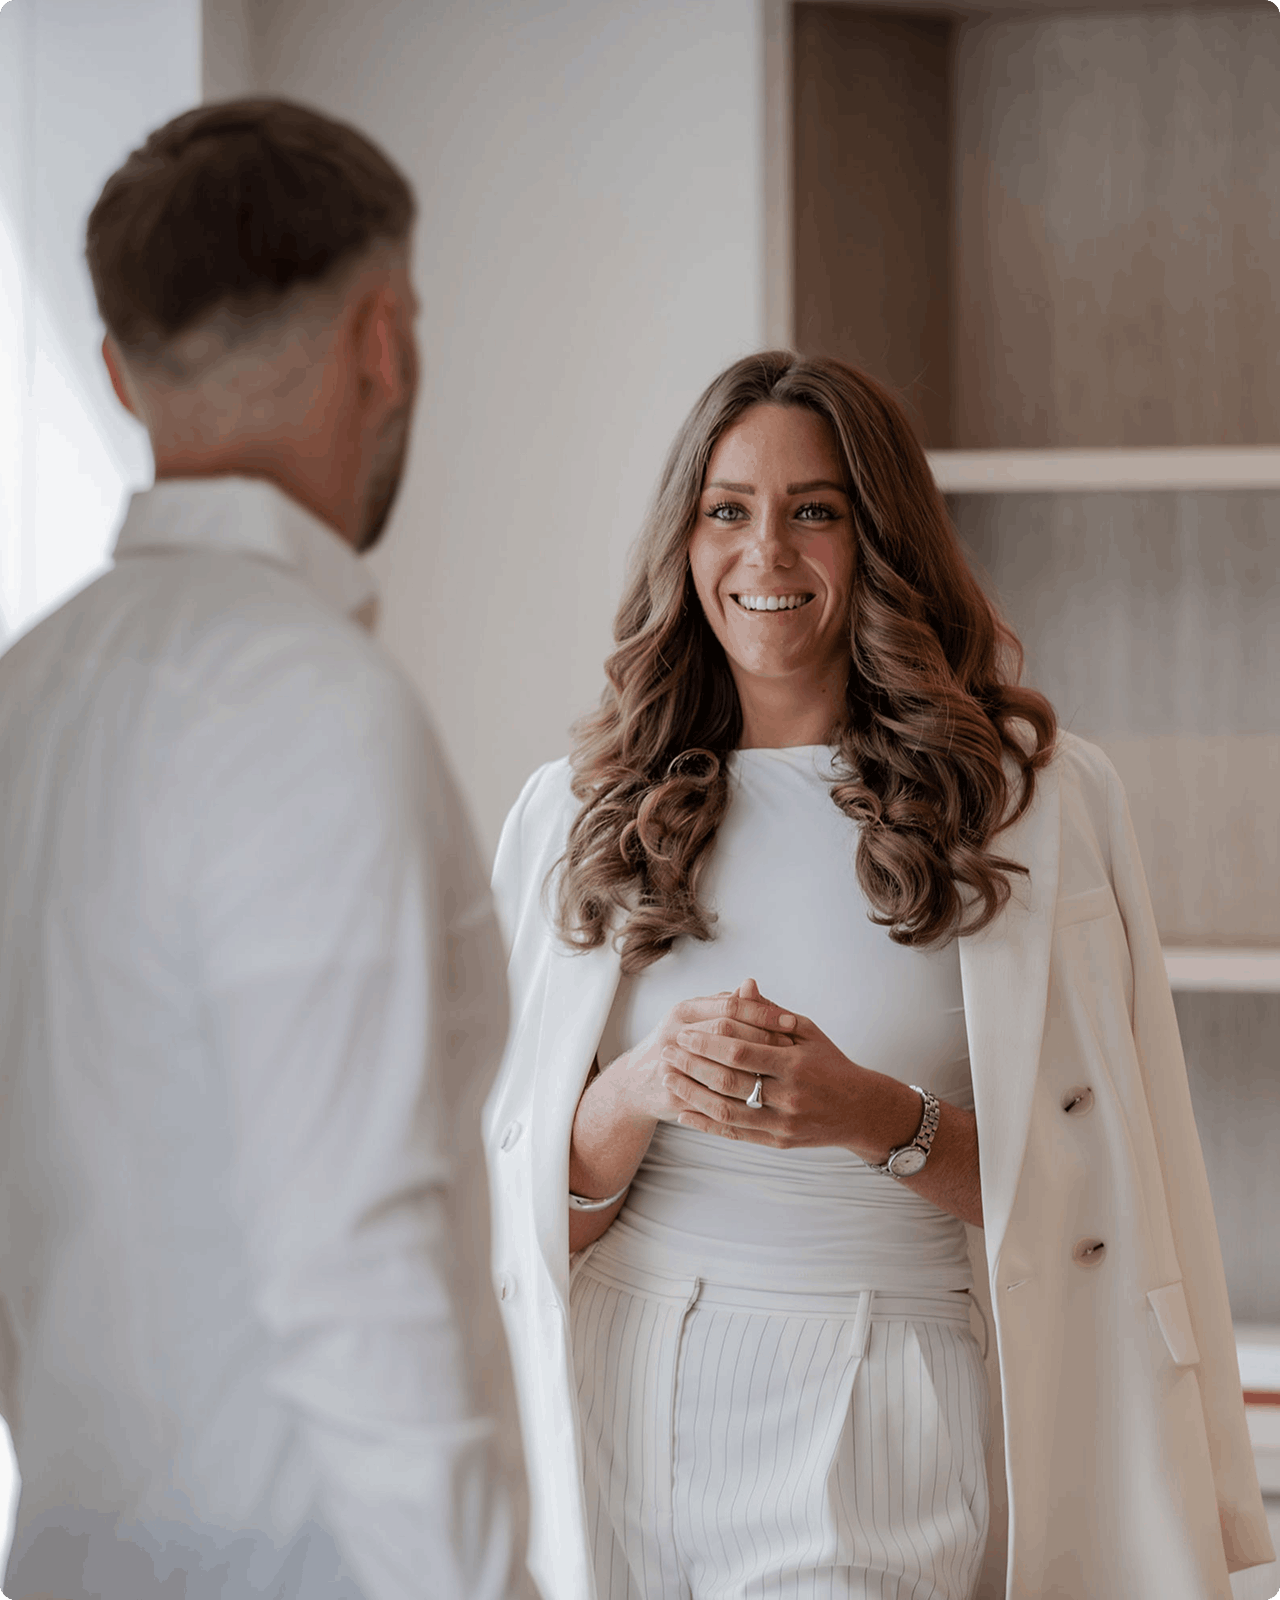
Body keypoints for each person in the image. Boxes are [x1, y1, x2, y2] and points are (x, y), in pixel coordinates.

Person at [483, 351, 1274, 1600]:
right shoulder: (574, 812)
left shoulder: (1030, 807)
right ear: (683, 541)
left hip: (878, 1398)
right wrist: (633, 1091)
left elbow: (1106, 1188)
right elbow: (527, 1202)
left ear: (879, 538)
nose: (766, 555)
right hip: (616, 1388)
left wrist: (873, 1118)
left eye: (815, 511)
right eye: (726, 509)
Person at [0, 98, 531, 1600]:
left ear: (117, 373)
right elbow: (354, 1266)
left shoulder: (20, 702)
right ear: (386, 342)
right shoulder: (314, 703)